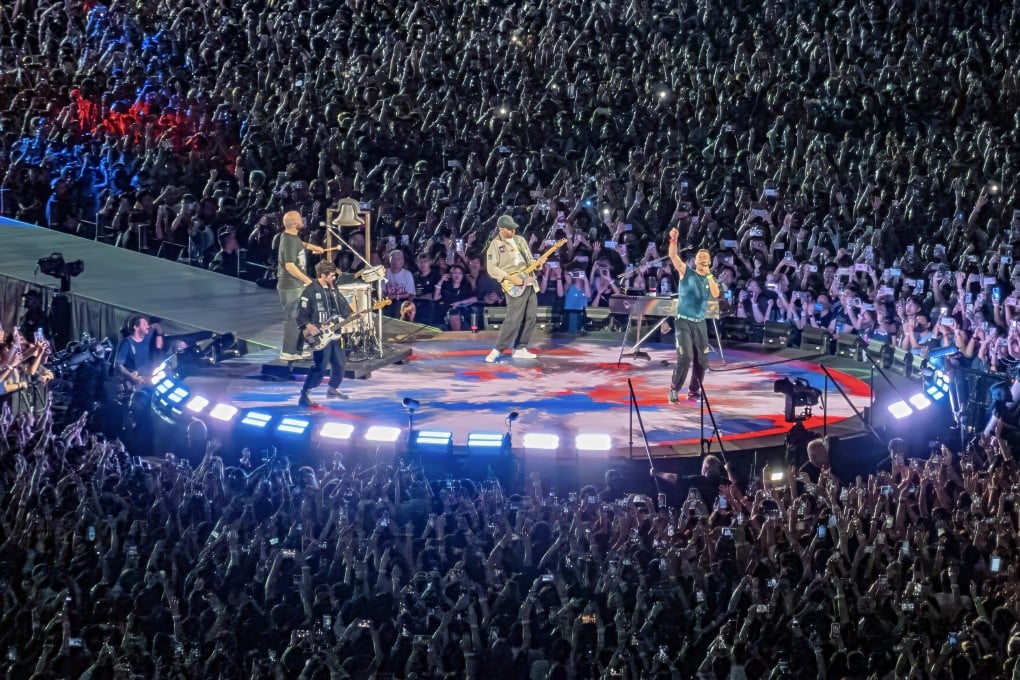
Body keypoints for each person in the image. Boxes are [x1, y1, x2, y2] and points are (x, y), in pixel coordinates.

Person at [666, 229, 719, 403]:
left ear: (709, 262)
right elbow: (674, 257)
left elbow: (716, 294)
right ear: (695, 260)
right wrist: (673, 240)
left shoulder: (710, 279)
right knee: (685, 356)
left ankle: (694, 390)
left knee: (702, 360)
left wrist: (709, 274)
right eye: (700, 256)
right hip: (683, 320)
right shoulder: (686, 272)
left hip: (700, 323)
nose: (703, 258)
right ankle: (674, 388)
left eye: (706, 257)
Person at [295, 260, 353, 407]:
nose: (334, 278)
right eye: (332, 275)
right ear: (323, 275)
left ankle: (332, 390)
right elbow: (300, 312)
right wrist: (307, 325)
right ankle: (305, 393)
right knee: (320, 366)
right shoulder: (310, 291)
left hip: (335, 334)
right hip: (320, 336)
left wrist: (354, 314)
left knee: (340, 364)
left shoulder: (333, 289)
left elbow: (343, 308)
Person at [484, 215, 539, 362]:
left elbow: (529, 259)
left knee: (531, 316)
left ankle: (520, 347)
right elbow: (492, 268)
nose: (513, 231)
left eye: (514, 228)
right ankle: (498, 349)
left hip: (529, 281)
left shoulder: (520, 240)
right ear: (502, 230)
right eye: (510, 229)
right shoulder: (495, 245)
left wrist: (537, 263)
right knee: (514, 318)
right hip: (513, 284)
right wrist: (509, 277)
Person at [277, 210, 323, 361]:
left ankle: (299, 348)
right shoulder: (287, 240)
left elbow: (299, 244)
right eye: (300, 218)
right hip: (291, 285)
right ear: (295, 223)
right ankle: (288, 351)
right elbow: (289, 266)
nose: (303, 219)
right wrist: (307, 280)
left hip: (297, 284)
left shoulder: (292, 237)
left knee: (302, 316)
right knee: (292, 318)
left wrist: (313, 247)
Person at [113, 314, 164, 389]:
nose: (148, 326)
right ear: (136, 327)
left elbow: (157, 326)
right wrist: (133, 378)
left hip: (149, 381)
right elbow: (118, 366)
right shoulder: (126, 343)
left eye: (147, 324)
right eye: (144, 324)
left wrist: (159, 335)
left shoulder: (147, 334)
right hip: (136, 385)